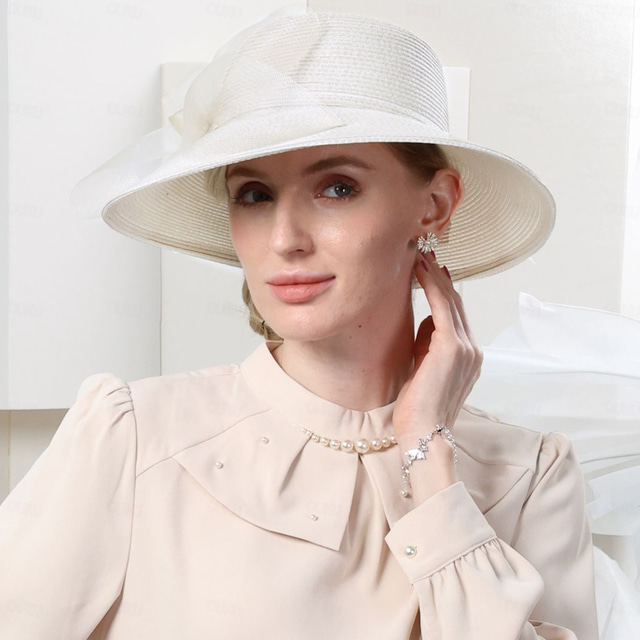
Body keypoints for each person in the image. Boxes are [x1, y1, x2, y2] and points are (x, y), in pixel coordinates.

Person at [0, 6, 599, 639]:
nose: (284, 239)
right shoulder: (134, 437)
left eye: (337, 187)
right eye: (254, 194)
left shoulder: (530, 475)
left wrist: (427, 452)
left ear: (434, 204)